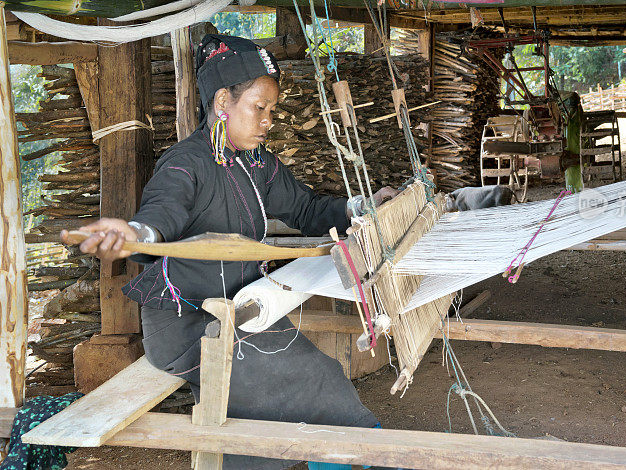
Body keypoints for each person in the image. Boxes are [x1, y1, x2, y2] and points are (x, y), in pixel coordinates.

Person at [65, 34, 399, 469]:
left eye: (271, 111)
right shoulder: (186, 164)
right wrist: (133, 233)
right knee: (269, 396)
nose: (267, 121)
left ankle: (352, 457)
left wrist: (363, 206)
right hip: (189, 326)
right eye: (258, 108)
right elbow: (161, 214)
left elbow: (307, 208)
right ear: (224, 100)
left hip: (243, 313)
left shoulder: (259, 164)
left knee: (322, 375)